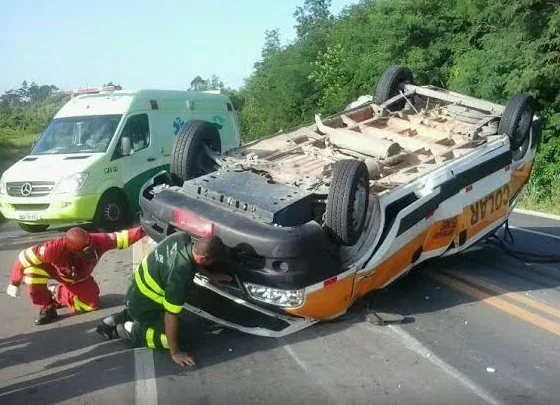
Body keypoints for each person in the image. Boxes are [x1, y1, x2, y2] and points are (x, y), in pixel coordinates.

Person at [96, 231, 231, 368]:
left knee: (144, 304)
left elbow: (194, 260)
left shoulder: (181, 237)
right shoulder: (179, 276)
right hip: (144, 308)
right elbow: (170, 315)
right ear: (205, 259)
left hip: (135, 294)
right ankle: (130, 331)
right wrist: (175, 353)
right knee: (186, 339)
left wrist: (210, 276)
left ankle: (116, 318)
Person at [6, 226, 145, 325]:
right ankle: (47, 306)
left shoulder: (97, 241)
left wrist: (146, 229)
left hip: (76, 278)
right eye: (84, 251)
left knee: (91, 305)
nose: (90, 252)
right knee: (32, 274)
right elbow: (22, 258)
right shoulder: (52, 249)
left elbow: (122, 237)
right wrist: (14, 282)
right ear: (71, 250)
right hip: (49, 270)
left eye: (89, 247)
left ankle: (57, 293)